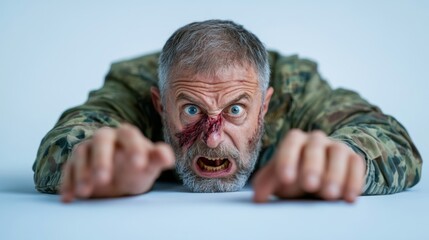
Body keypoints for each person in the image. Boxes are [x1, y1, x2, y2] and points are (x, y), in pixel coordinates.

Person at [32, 19, 422, 203]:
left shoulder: (295, 90)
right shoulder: (133, 87)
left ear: (265, 105)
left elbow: (391, 139)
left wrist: (350, 159)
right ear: (159, 103)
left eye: (236, 109)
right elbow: (66, 141)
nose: (213, 137)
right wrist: (90, 163)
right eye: (190, 110)